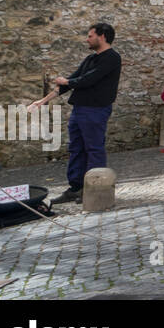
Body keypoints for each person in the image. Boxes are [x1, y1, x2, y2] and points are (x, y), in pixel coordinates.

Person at [38, 22, 122, 204]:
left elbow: (88, 80)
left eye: (90, 35)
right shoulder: (90, 59)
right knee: (76, 148)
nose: (87, 39)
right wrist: (43, 101)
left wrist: (68, 81)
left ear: (102, 37)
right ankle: (76, 188)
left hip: (96, 110)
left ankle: (95, 189)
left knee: (94, 148)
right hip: (80, 110)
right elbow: (70, 82)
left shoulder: (112, 58)